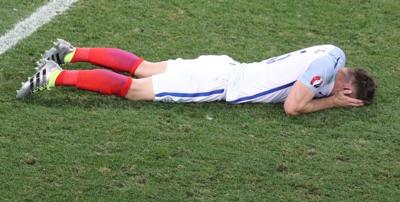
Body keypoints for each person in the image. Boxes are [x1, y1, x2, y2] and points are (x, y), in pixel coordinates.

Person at [16, 39, 376, 116]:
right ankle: (55, 76)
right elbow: (293, 107)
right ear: (347, 88)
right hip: (221, 83)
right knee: (137, 90)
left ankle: (70, 52)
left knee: (145, 66)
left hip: (224, 64)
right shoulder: (324, 77)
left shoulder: (335, 53)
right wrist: (331, 102)